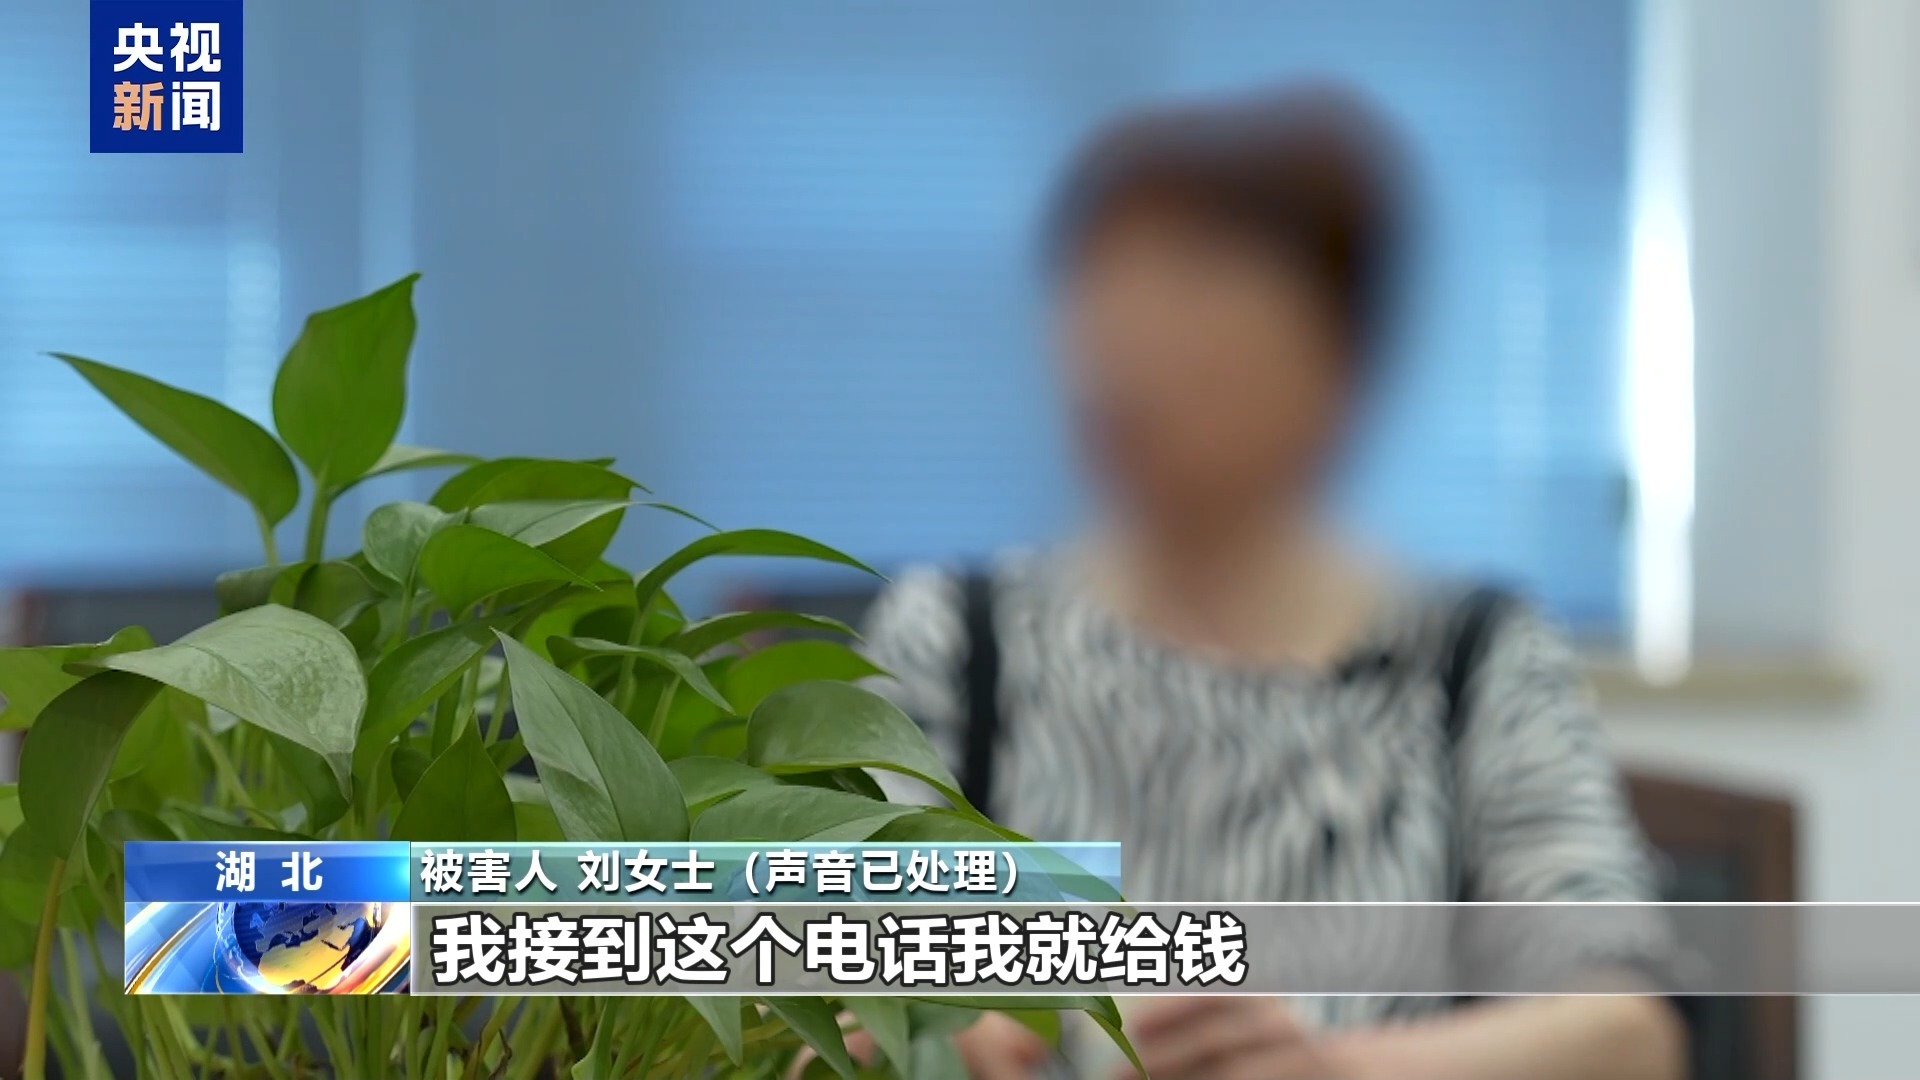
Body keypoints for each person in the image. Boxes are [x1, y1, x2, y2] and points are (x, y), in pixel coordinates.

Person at [858, 85, 1689, 1080]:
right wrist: (914, 1024)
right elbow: (798, 980)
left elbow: (1626, 1036)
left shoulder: (1472, 660)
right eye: (1100, 297)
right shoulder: (955, 641)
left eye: (1196, 299)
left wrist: (1330, 1072)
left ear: (1339, 356)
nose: (1126, 358)